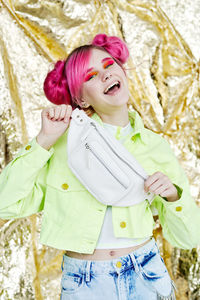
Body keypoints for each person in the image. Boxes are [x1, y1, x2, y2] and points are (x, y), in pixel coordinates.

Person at [0, 33, 200, 300]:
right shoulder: (62, 147)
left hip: (147, 274)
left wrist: (173, 196)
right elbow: (5, 203)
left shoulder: (155, 147)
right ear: (81, 100)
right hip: (85, 282)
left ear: (122, 73)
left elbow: (188, 239)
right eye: (90, 76)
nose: (105, 75)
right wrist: (44, 141)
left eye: (108, 66)